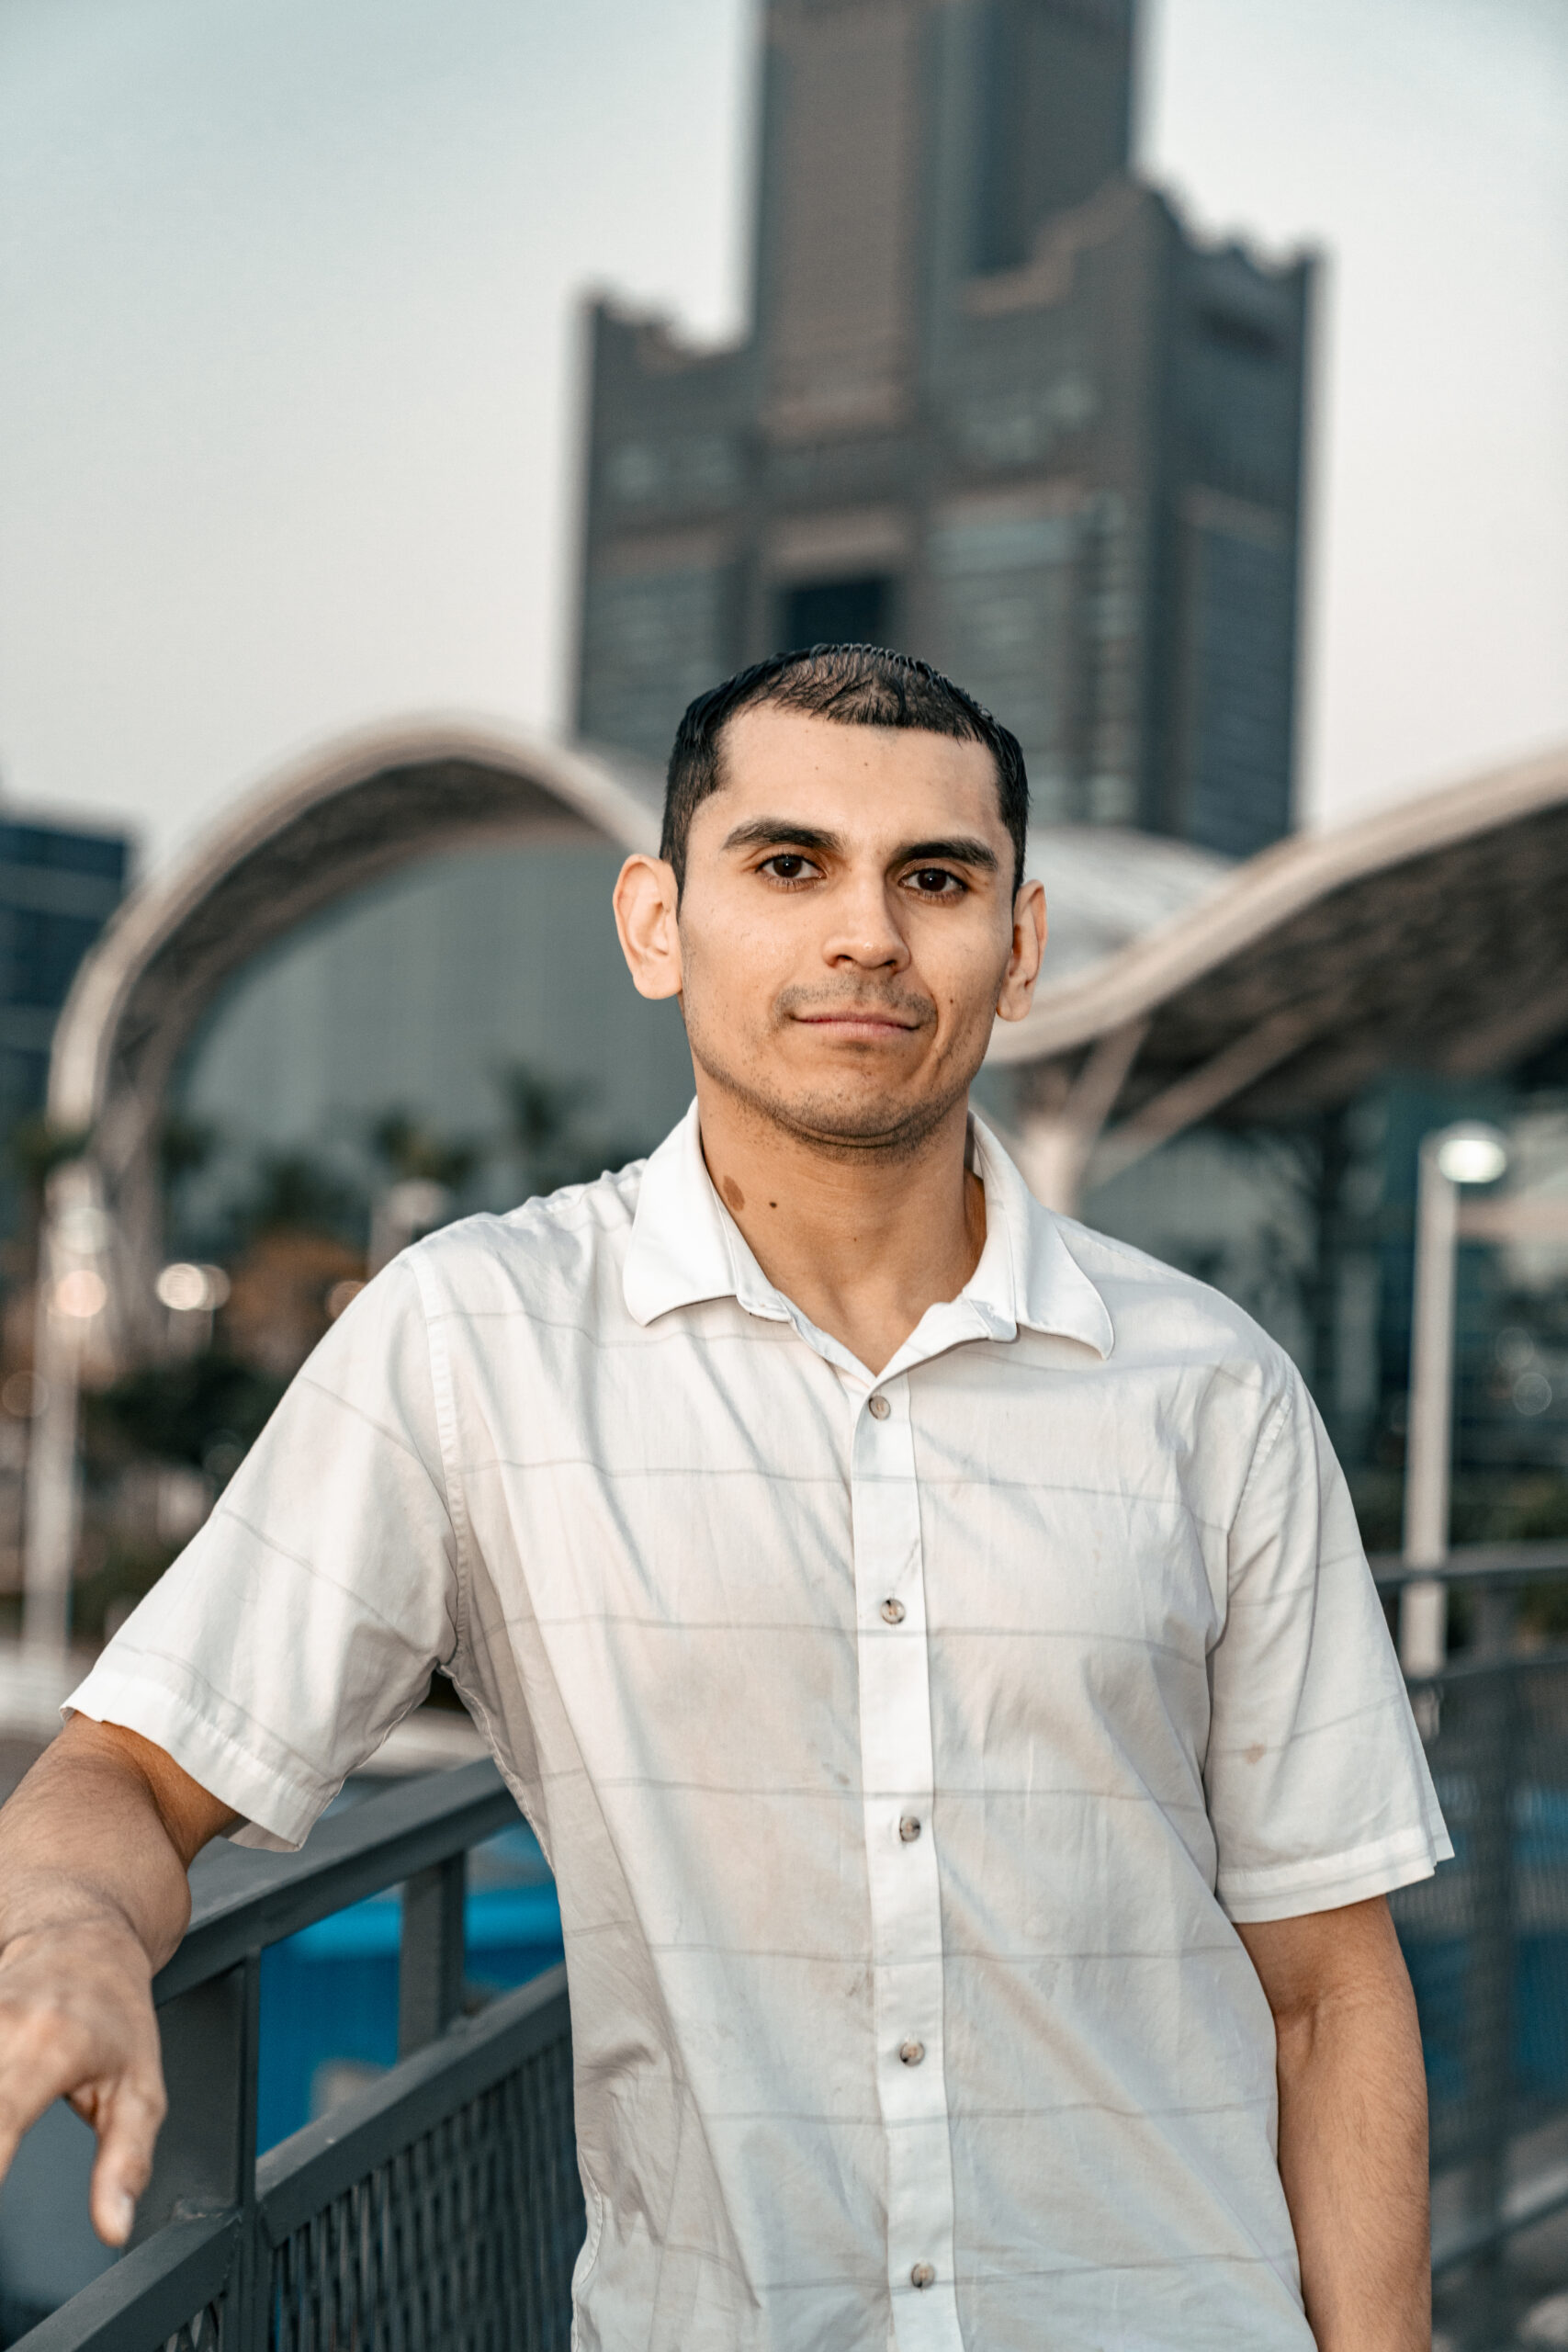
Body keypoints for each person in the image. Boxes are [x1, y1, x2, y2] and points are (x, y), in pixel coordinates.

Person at [0, 645, 1447, 2351]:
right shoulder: (480, 1340)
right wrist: (67, 1934)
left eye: (936, 879)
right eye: (789, 864)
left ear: (1020, 946)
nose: (868, 935)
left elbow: (1330, 1995)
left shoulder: (1211, 1387)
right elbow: (127, 1770)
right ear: (655, 924)